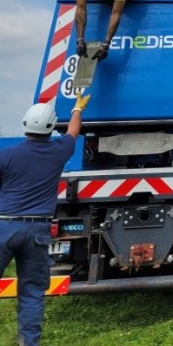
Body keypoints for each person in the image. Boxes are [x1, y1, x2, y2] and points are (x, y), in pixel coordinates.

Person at [0, 93, 89, 345]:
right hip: (37, 231)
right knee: (31, 293)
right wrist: (77, 108)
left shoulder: (5, 156)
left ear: (25, 124)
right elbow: (72, 132)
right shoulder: (59, 151)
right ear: (51, 126)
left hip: (4, 226)